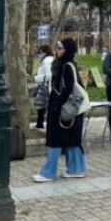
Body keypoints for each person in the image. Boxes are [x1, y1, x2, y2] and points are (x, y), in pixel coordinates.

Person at [34, 38, 86, 182]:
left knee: (55, 140)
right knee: (71, 140)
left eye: (60, 48)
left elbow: (66, 90)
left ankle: (48, 173)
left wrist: (56, 105)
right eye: (56, 47)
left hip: (64, 110)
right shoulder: (64, 64)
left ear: (67, 50)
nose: (57, 50)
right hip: (71, 111)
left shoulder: (67, 66)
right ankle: (76, 169)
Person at [33, 44, 54, 130]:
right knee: (41, 105)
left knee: (42, 105)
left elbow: (49, 75)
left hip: (44, 85)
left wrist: (37, 78)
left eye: (40, 51)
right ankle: (40, 123)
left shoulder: (47, 61)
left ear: (44, 51)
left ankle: (40, 123)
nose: (39, 53)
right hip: (43, 85)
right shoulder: (46, 60)